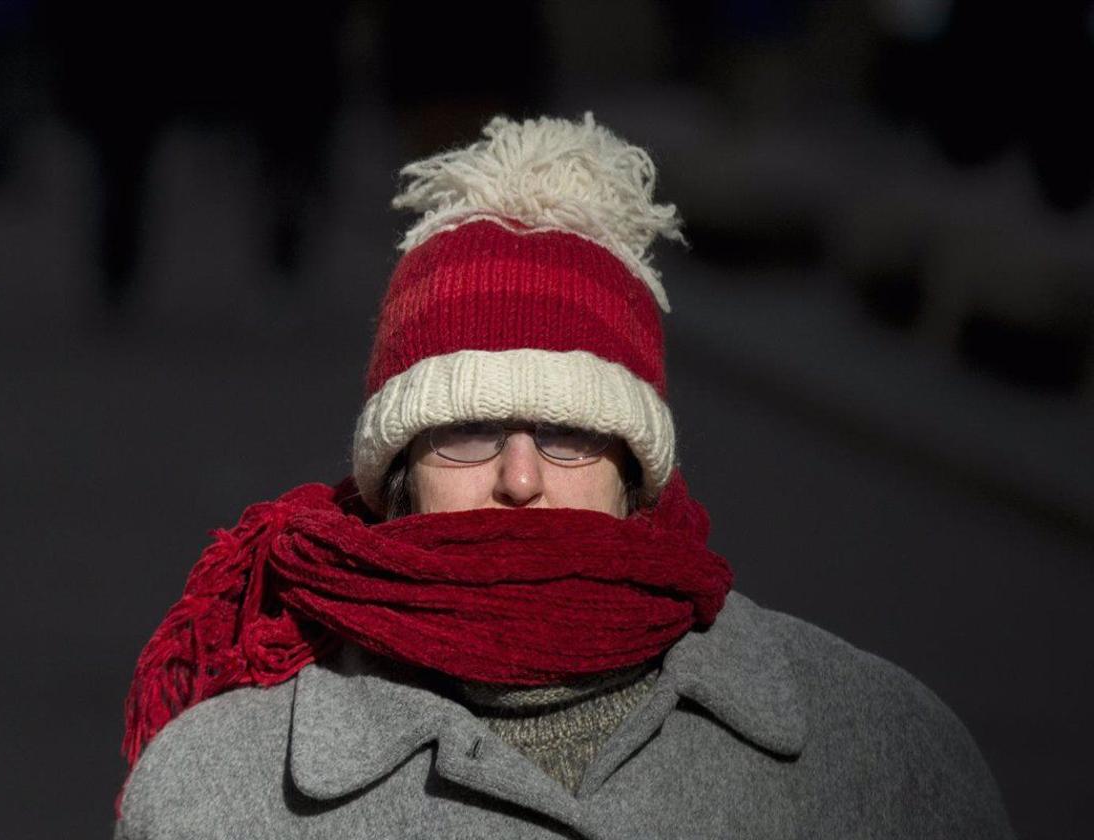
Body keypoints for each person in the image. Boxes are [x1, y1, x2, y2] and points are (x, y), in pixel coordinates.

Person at [113, 114, 1015, 839]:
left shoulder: (884, 758)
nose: (520, 478)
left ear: (636, 470)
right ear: (396, 481)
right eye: (465, 432)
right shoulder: (215, 795)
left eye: (569, 433)